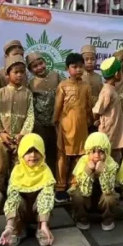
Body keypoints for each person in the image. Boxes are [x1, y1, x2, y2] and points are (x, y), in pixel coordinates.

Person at [0, 133, 56, 246]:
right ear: (21, 153)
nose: (33, 155)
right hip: (22, 213)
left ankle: (42, 228)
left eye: (37, 151)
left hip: (39, 213)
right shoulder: (17, 171)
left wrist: (44, 224)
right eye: (28, 151)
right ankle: (17, 229)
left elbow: (47, 198)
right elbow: (12, 199)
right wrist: (9, 227)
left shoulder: (45, 171)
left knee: (45, 196)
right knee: (16, 199)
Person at [0, 55, 35, 189]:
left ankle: (16, 193)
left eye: (22, 72)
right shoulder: (0, 93)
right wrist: (0, 133)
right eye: (16, 72)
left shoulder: (28, 94)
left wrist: (23, 134)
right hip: (2, 139)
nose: (19, 75)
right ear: (7, 74)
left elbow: (30, 115)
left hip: (20, 139)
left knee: (18, 167)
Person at [54, 53, 93, 195]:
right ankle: (60, 187)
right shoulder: (63, 85)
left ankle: (74, 184)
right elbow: (58, 106)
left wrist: (91, 120)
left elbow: (89, 106)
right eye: (74, 67)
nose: (78, 70)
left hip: (81, 127)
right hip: (65, 127)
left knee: (79, 156)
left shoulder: (86, 87)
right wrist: (55, 121)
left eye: (81, 67)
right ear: (67, 68)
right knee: (62, 157)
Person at [68, 132, 120, 231]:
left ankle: (107, 218)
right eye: (93, 152)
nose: (97, 156)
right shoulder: (83, 162)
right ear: (88, 152)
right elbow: (84, 191)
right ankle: (82, 218)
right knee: (77, 195)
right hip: (87, 198)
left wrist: (103, 172)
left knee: (110, 197)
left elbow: (108, 190)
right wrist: (88, 171)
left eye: (101, 152)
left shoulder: (111, 164)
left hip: (102, 198)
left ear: (107, 152)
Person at [27, 53, 62, 191]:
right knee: (41, 153)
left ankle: (53, 183)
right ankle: (40, 183)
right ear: (30, 70)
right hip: (39, 125)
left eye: (40, 63)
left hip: (56, 123)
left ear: (45, 62)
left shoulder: (56, 76)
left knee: (55, 153)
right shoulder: (31, 83)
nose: (39, 67)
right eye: (35, 66)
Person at [93, 57, 123, 161]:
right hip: (109, 129)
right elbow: (97, 111)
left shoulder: (112, 89)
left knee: (115, 154)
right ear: (117, 74)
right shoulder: (107, 91)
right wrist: (99, 121)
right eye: (120, 71)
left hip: (114, 127)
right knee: (107, 155)